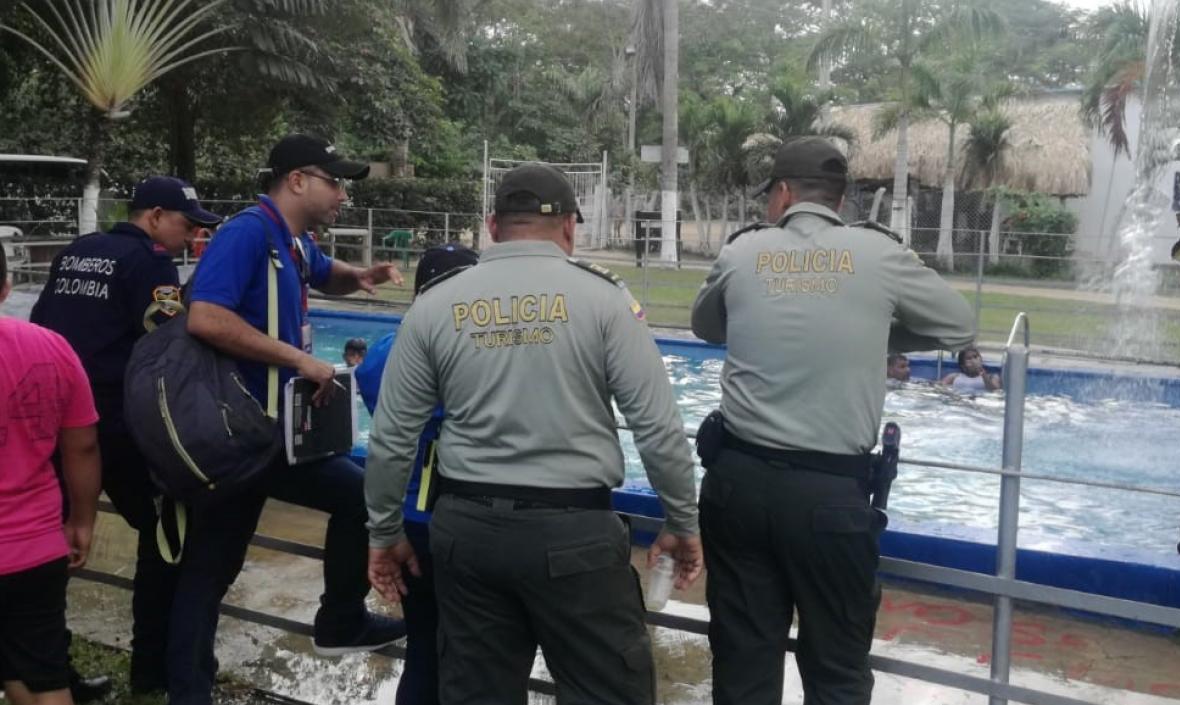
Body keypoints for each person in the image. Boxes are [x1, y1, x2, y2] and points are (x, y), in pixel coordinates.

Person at [365, 163, 703, 704]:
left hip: (466, 537)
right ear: (571, 227)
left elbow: (391, 439)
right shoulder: (605, 301)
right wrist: (682, 520)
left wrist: (383, 533)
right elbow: (658, 429)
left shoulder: (434, 306)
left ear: (492, 225)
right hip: (575, 537)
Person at [691, 136, 975, 705]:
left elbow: (707, 327)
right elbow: (957, 325)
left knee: (743, 665)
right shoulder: (880, 254)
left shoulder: (743, 252)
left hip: (739, 487)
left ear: (783, 194)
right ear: (839, 202)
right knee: (837, 674)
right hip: (831, 496)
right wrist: (867, 331)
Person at [173, 134, 405, 705]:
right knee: (209, 570)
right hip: (238, 437)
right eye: (335, 182)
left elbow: (329, 274)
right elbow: (204, 317)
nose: (343, 195)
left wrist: (364, 275)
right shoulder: (247, 232)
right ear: (297, 180)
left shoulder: (295, 243)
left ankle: (340, 621)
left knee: (361, 496)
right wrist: (300, 359)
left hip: (274, 439)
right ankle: (188, 691)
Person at [28, 176, 221, 696]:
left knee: (47, 556)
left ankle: (49, 672)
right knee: (165, 538)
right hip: (121, 426)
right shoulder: (152, 262)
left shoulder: (79, 251)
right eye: (185, 225)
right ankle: (152, 668)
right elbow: (171, 344)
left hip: (58, 422)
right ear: (155, 216)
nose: (188, 238)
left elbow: (43, 322)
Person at [356, 243, 478, 705]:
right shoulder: (468, 351)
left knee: (425, 646)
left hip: (409, 515)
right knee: (471, 652)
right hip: (461, 517)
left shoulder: (386, 352)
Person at [0, 242, 102, 705]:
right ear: (6, 286)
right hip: (35, 546)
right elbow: (82, 445)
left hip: (29, 542)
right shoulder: (50, 346)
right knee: (39, 668)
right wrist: (82, 519)